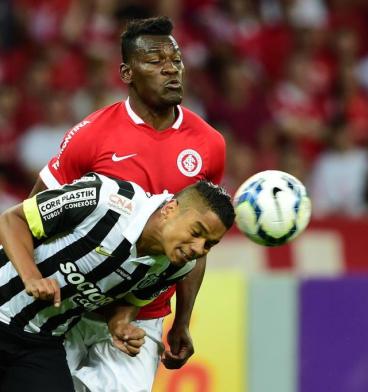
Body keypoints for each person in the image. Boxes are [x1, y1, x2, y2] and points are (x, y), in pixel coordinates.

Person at [29, 16, 226, 392]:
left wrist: (182, 320)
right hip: (71, 305)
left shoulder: (209, 145)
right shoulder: (92, 136)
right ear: (126, 72)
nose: (170, 69)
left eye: (176, 59)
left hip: (142, 316)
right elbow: (34, 210)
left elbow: (198, 243)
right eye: (155, 61)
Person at [0, 173, 234, 392]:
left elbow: (131, 297)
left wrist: (119, 323)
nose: (198, 249)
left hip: (42, 340)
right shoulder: (104, 198)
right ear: (170, 210)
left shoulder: (178, 265)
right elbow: (12, 220)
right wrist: (31, 276)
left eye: (209, 244)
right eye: (196, 232)